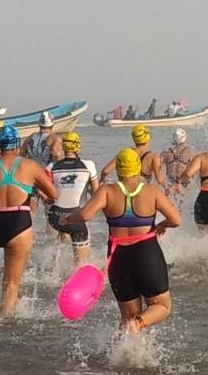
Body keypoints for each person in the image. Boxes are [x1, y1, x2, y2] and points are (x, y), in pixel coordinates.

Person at [64, 148, 181, 332]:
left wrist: (68, 218)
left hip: (118, 259)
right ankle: (139, 324)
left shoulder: (106, 191)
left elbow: (85, 214)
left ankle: (124, 357)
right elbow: (176, 220)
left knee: (127, 317)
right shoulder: (152, 191)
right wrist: (162, 225)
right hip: (147, 255)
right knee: (162, 307)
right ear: (138, 167)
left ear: (118, 169)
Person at [0, 123, 57, 316]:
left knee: (5, 278)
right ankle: (5, 323)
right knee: (12, 284)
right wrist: (33, 188)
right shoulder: (30, 166)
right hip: (18, 223)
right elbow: (53, 194)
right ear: (17, 145)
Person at [46, 131, 99, 265]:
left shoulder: (51, 167)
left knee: (63, 234)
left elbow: (42, 191)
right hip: (77, 217)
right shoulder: (89, 165)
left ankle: (54, 271)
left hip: (55, 217)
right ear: (78, 147)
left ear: (63, 147)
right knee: (82, 263)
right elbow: (97, 194)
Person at [102, 125, 167, 187]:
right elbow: (160, 180)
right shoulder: (154, 157)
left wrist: (101, 181)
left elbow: (106, 171)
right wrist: (167, 188)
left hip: (125, 192)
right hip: (141, 194)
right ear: (148, 138)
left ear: (134, 138)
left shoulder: (124, 153)